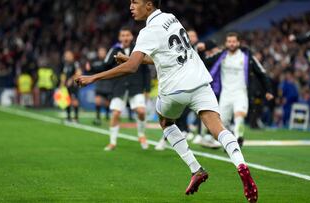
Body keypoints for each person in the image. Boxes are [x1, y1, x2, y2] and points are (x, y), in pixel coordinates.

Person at [75, 1, 258, 202]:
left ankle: (195, 169)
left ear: (149, 4)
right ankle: (241, 166)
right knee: (218, 128)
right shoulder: (172, 18)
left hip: (175, 88)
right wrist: (131, 60)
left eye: (136, 2)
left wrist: (93, 77)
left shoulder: (148, 31)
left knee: (165, 121)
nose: (131, 6)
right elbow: (165, 57)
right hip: (199, 81)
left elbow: (131, 68)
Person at [198, 32, 274, 147]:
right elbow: (205, 62)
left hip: (241, 93)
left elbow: (261, 72)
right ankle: (229, 142)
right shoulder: (221, 55)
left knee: (239, 115)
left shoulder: (247, 56)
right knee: (223, 122)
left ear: (238, 42)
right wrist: (201, 51)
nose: (231, 44)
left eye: (234, 41)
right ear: (226, 43)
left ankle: (239, 138)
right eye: (229, 41)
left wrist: (268, 90)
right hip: (226, 94)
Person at [103, 27, 151, 151]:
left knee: (141, 111)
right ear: (120, 38)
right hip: (119, 86)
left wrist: (147, 89)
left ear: (131, 37)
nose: (125, 37)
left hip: (136, 86)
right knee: (115, 114)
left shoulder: (139, 49)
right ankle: (112, 142)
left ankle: (141, 135)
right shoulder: (115, 50)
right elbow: (106, 65)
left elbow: (146, 71)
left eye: (127, 35)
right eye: (123, 35)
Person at [85, 46, 112, 126]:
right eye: (100, 51)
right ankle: (98, 118)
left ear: (106, 52)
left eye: (103, 51)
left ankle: (107, 116)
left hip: (108, 83)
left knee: (108, 102)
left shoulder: (108, 61)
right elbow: (90, 71)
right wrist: (89, 69)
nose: (101, 53)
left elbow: (105, 68)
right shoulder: (95, 61)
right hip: (99, 84)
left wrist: (93, 68)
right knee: (98, 100)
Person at [60, 50, 82, 122]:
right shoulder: (66, 64)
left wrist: (71, 79)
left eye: (68, 55)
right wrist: (62, 84)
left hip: (74, 85)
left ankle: (76, 118)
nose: (66, 57)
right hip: (67, 86)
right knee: (67, 100)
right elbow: (63, 74)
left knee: (74, 100)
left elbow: (79, 72)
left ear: (72, 56)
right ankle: (68, 117)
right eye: (66, 55)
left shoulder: (75, 63)